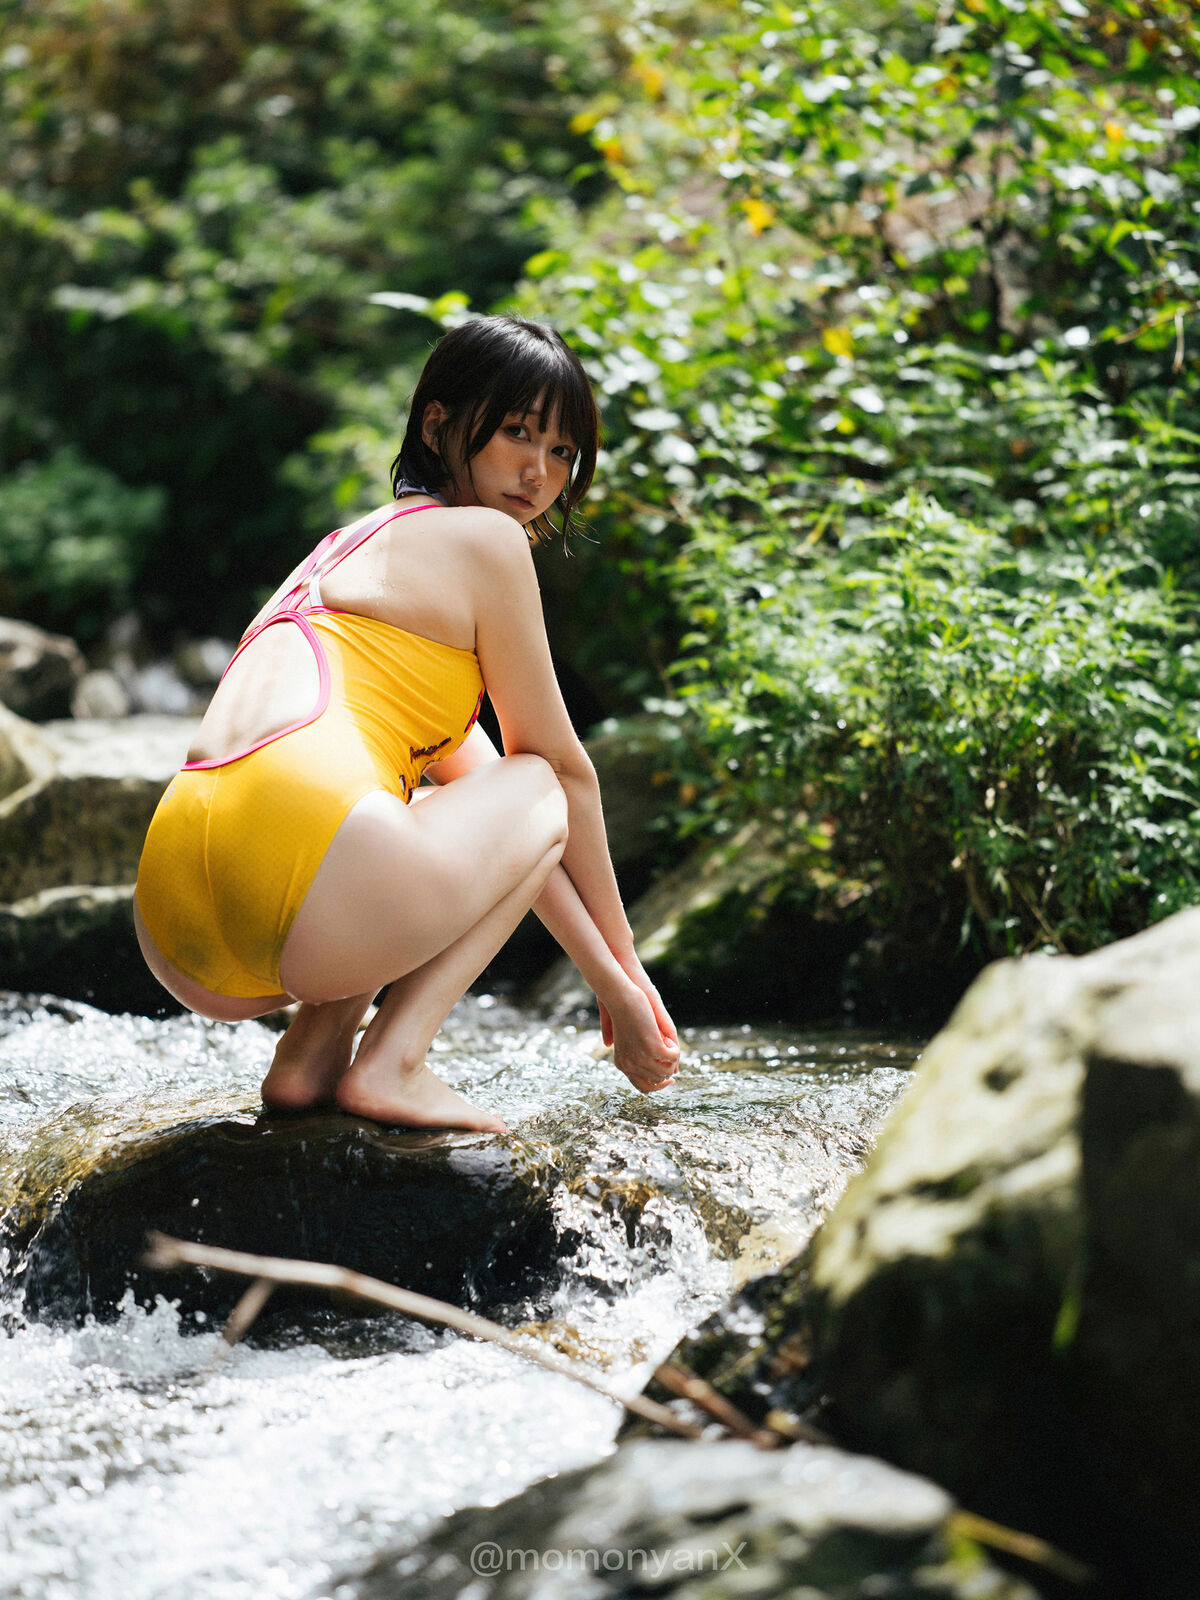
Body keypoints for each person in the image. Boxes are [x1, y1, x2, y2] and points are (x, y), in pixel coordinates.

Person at [134, 314, 681, 1135]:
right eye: (517, 432)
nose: (539, 471)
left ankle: (310, 1057)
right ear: (437, 425)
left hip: (178, 926)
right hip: (303, 870)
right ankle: (393, 1062)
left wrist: (608, 983)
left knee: (422, 806)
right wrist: (633, 973)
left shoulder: (343, 550)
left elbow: (518, 851)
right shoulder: (487, 540)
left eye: (563, 451)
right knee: (536, 778)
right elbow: (557, 781)